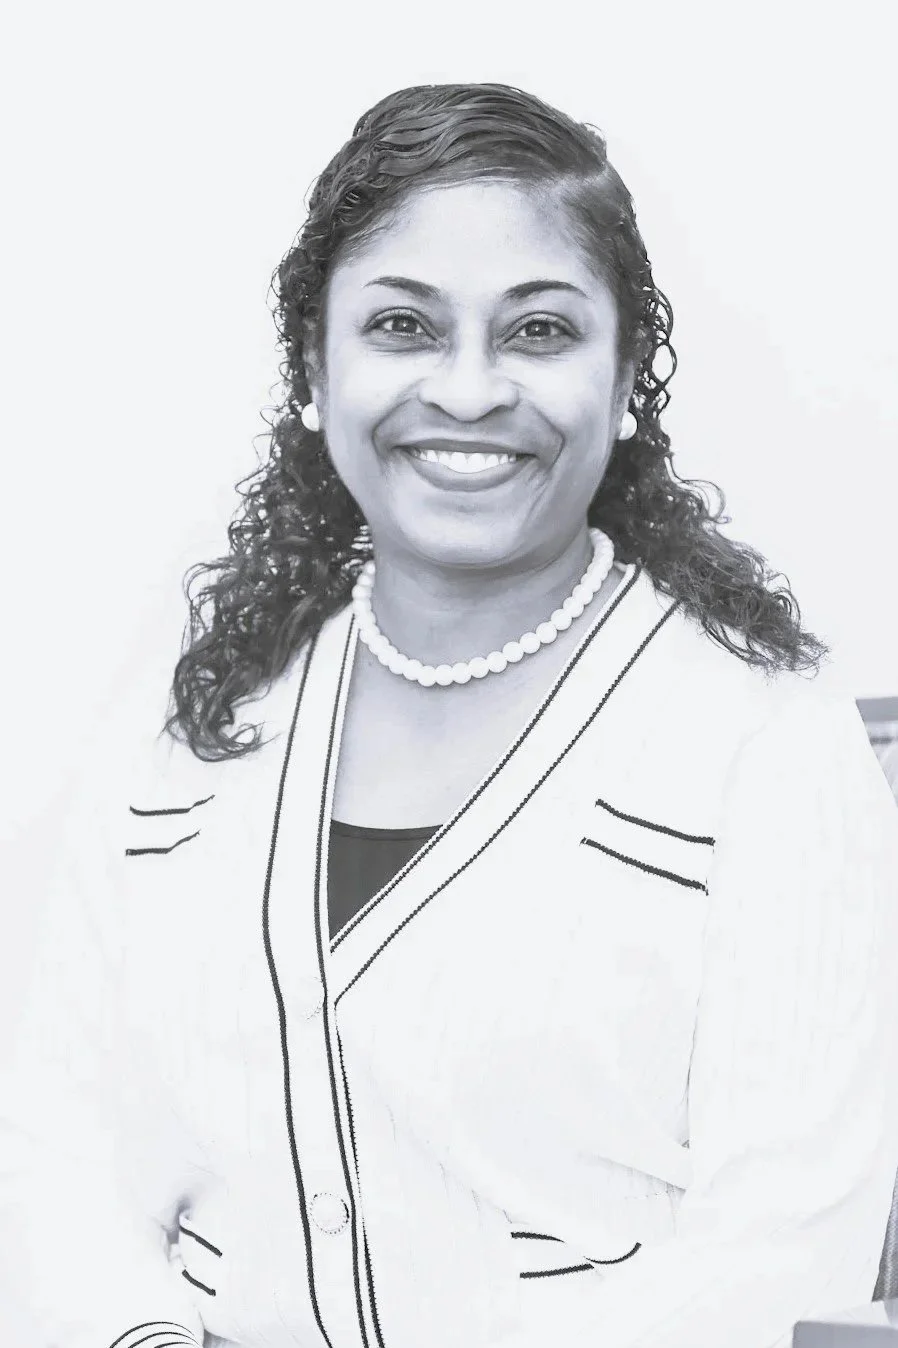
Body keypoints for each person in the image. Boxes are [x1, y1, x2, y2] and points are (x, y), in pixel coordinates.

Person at [2, 82, 897, 1348]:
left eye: (538, 330)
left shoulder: (762, 734)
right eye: (402, 326)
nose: (469, 390)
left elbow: (786, 1240)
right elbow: (61, 1154)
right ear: (314, 372)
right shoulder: (200, 715)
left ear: (626, 382)